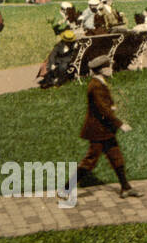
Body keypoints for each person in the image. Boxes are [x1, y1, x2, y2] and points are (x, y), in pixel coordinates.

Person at [58, 55, 140, 201]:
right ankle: (65, 190)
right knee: (90, 161)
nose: (111, 68)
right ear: (102, 69)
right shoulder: (95, 86)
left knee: (116, 157)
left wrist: (112, 106)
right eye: (109, 66)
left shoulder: (100, 82)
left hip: (105, 130)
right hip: (98, 131)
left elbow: (105, 106)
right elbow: (103, 110)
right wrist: (120, 124)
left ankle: (126, 187)